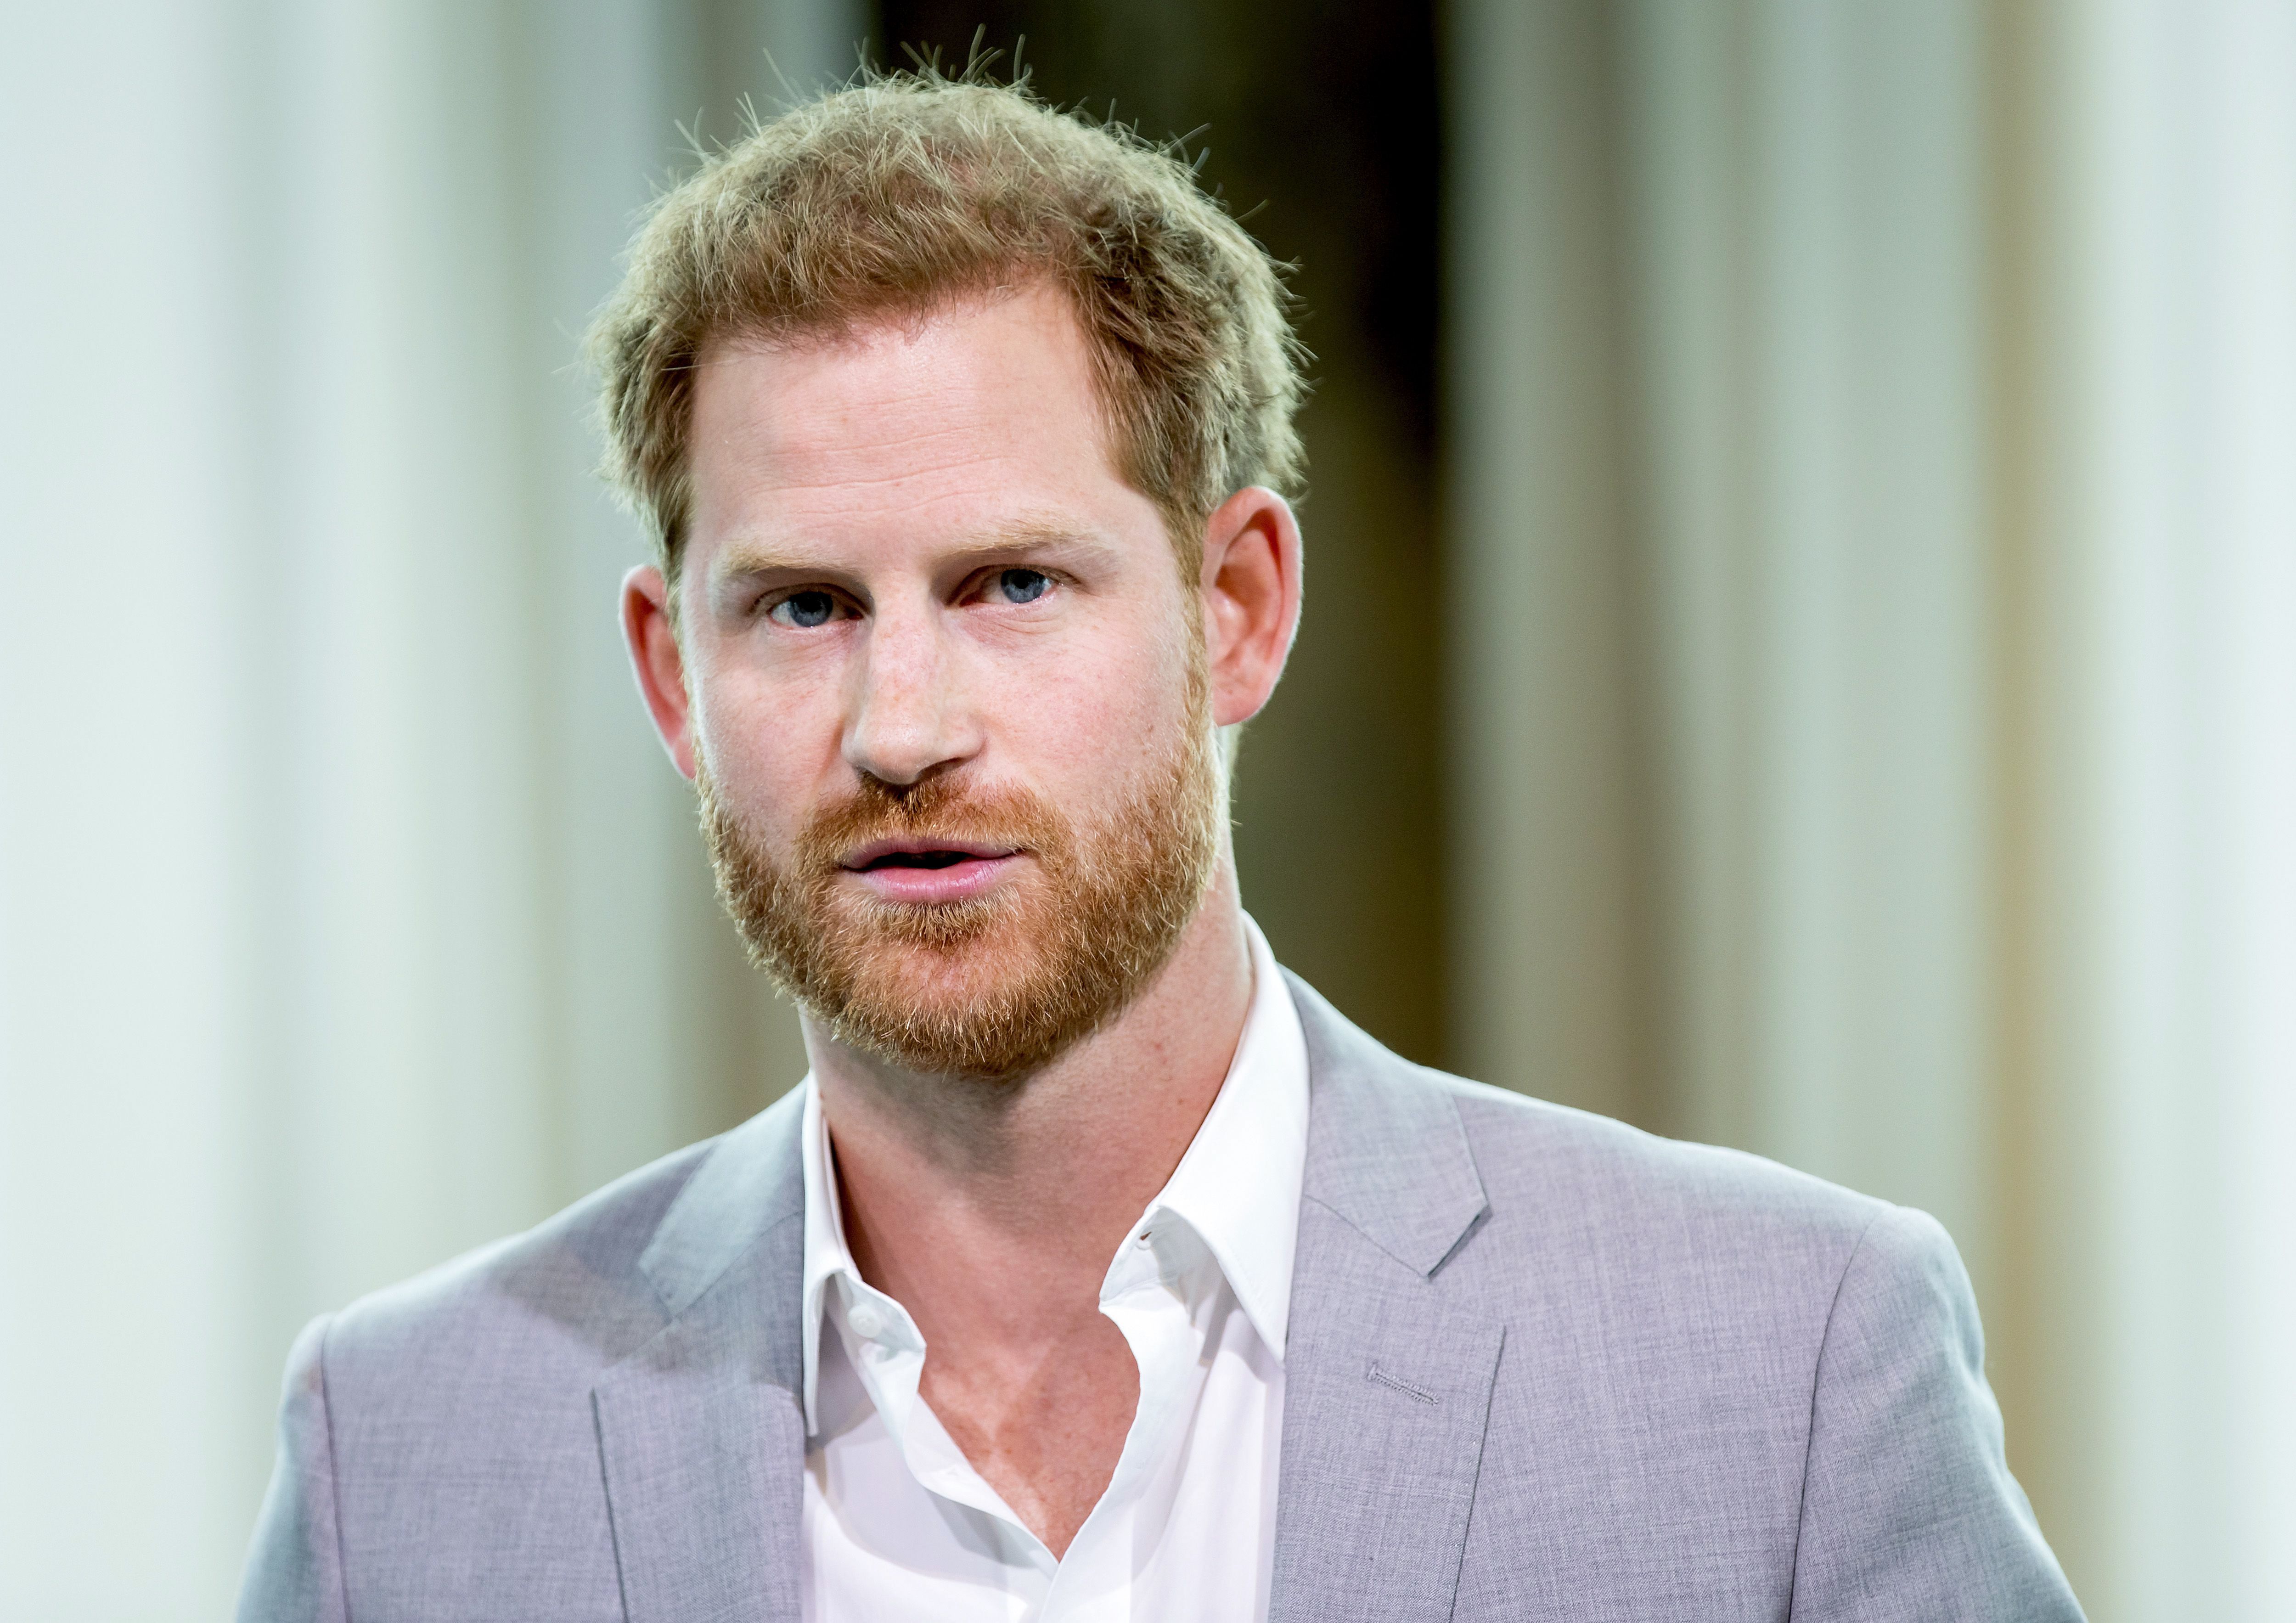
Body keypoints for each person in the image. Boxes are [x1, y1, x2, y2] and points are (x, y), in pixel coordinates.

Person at [237, 71, 2082, 1623]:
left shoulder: (1781, 1371)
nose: (901, 726)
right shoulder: (401, 1459)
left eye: (1011, 583)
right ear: (668, 671)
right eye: (800, 607)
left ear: (1240, 608)